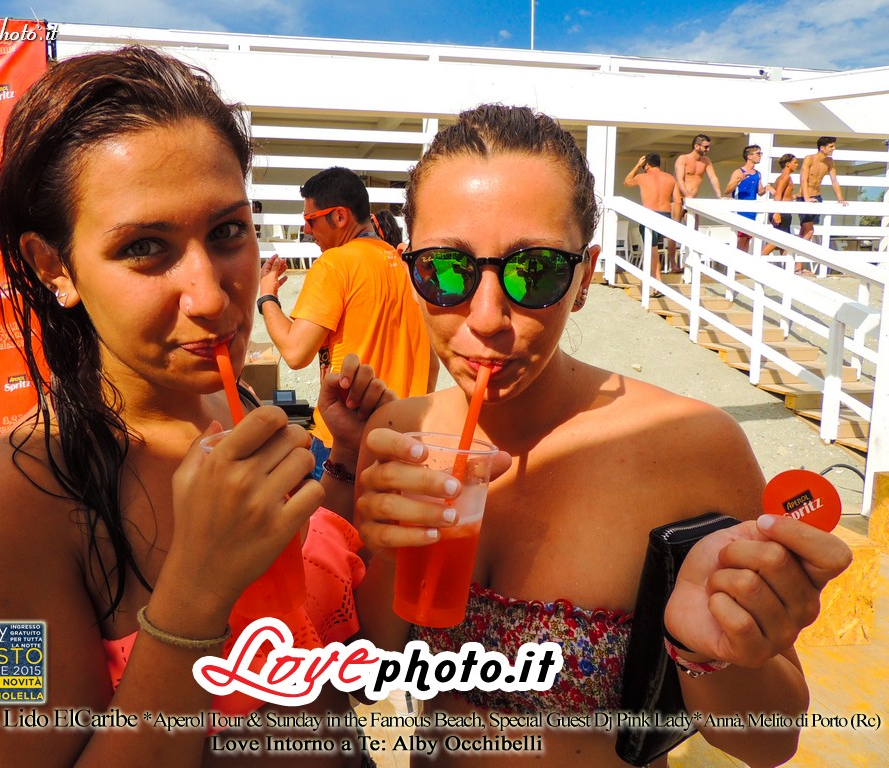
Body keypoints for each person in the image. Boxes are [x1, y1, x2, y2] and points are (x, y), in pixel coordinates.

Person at [353, 104, 852, 768]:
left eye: (535, 271)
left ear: (584, 276)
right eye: (445, 268)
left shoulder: (690, 444)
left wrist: (708, 652)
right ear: (410, 268)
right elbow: (374, 667)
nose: (487, 318)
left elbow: (768, 740)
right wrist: (385, 548)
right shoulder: (399, 433)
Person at [0, 46, 389, 768]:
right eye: (145, 246)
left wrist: (346, 465)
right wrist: (194, 593)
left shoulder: (232, 404)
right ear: (54, 266)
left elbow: (321, 653)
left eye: (227, 231)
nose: (210, 297)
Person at [257, 166, 436, 460]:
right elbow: (431, 366)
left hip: (343, 442)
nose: (306, 230)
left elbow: (295, 352)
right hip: (403, 439)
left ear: (340, 216)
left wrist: (267, 296)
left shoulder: (334, 264)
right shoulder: (405, 265)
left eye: (310, 220)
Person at [623, 153, 681, 285]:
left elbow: (626, 182)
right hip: (666, 216)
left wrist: (637, 165)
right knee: (657, 246)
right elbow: (678, 202)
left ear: (647, 165)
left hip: (649, 215)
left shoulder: (642, 177)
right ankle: (660, 275)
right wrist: (676, 222)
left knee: (652, 248)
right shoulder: (670, 179)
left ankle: (657, 279)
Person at [724, 145, 777, 252]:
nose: (760, 156)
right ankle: (737, 261)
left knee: (748, 237)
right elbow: (727, 190)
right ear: (749, 156)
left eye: (760, 154)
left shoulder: (757, 174)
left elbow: (760, 192)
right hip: (740, 210)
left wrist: (767, 187)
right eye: (758, 154)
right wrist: (738, 180)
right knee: (741, 237)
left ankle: (743, 261)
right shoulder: (738, 172)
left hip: (752, 211)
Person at [797, 136, 848, 245]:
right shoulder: (809, 158)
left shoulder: (829, 161)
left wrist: (841, 199)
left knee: (805, 230)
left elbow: (834, 181)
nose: (834, 148)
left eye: (834, 146)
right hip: (804, 197)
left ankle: (796, 254)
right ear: (822, 148)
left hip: (817, 197)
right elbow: (803, 180)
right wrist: (807, 198)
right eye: (831, 146)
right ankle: (798, 251)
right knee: (809, 231)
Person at [674, 133, 723, 219]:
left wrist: (719, 196)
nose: (708, 149)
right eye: (705, 147)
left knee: (694, 226)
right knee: (675, 225)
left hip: (693, 199)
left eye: (709, 147)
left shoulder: (706, 160)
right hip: (680, 198)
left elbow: (713, 177)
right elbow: (679, 179)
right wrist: (686, 194)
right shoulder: (683, 158)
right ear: (696, 146)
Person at [761, 153, 799, 262]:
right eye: (795, 162)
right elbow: (778, 194)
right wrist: (777, 212)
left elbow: (780, 194)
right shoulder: (785, 177)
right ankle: (759, 259)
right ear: (788, 164)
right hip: (781, 212)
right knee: (778, 239)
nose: (797, 165)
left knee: (784, 241)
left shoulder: (782, 177)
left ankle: (787, 266)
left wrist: (796, 196)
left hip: (783, 211)